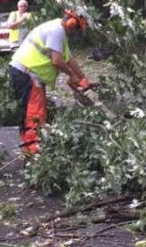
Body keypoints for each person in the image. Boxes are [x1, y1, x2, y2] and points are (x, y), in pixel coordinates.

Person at [9, 8, 95, 155]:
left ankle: (29, 148)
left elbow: (69, 60)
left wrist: (83, 79)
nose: (76, 33)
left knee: (36, 113)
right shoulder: (57, 31)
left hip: (30, 74)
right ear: (71, 23)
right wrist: (71, 76)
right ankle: (32, 151)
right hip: (27, 74)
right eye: (77, 28)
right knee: (34, 114)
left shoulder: (58, 30)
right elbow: (57, 61)